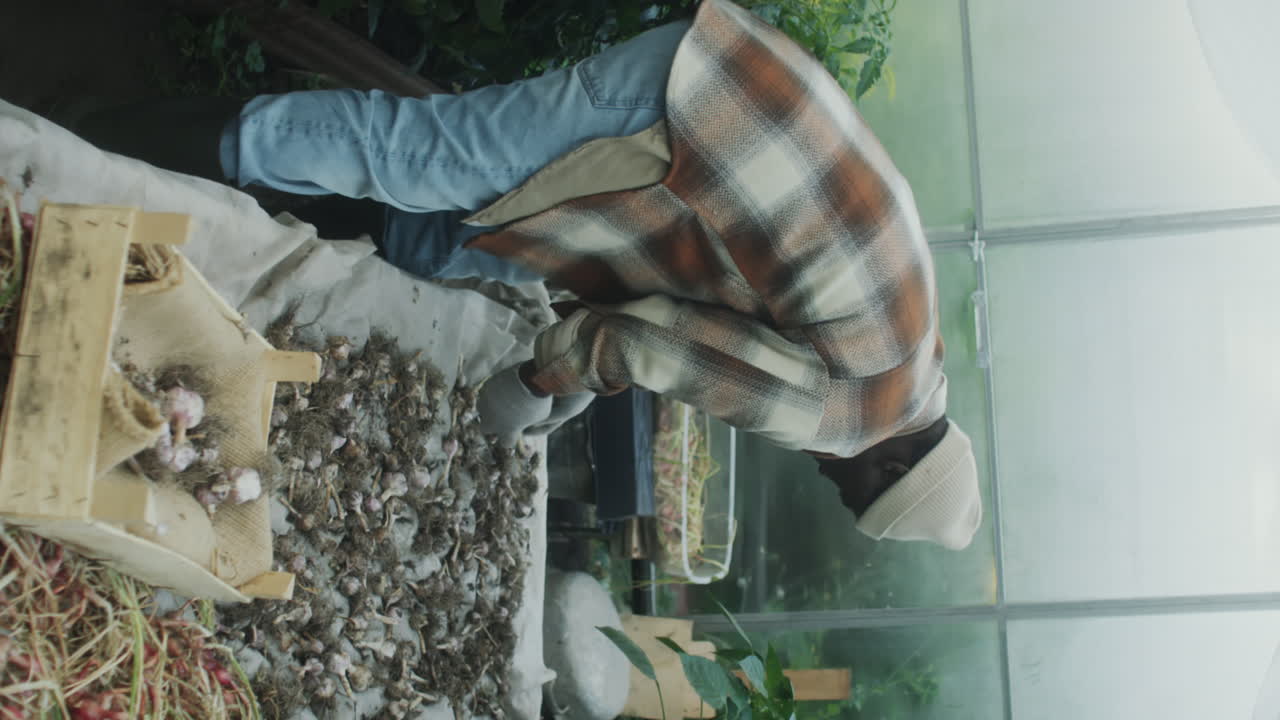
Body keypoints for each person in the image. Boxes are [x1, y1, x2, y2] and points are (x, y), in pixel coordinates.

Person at [76, 0, 982, 550]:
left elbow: (701, 313)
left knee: (451, 237)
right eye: (849, 484)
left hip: (730, 87)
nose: (830, 474)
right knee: (416, 158)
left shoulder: (913, 359)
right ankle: (84, 147)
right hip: (688, 110)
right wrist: (536, 380)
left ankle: (170, 161)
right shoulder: (855, 412)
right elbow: (646, 344)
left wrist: (586, 372)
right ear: (897, 460)